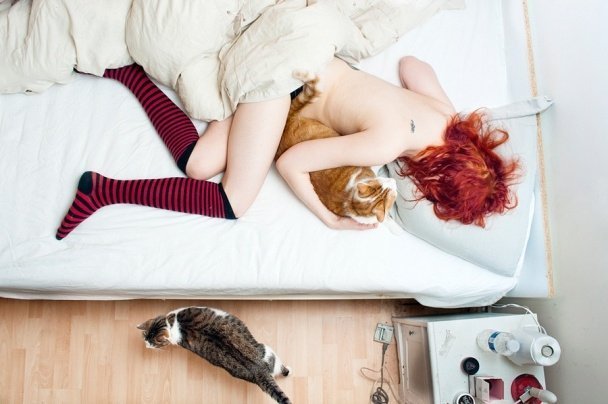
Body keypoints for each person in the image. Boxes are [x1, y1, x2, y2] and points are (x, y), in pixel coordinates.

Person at [56, 56, 518, 239]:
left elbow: (413, 65)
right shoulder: (386, 144)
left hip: (308, 62)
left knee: (201, 164)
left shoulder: (446, 117)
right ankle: (104, 191)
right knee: (231, 199)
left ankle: (129, 77)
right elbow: (291, 161)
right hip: (283, 84)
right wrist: (329, 219)